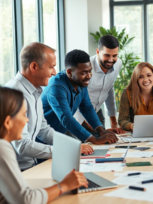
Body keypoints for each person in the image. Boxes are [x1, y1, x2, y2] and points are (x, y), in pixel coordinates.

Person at [5, 43, 93, 171]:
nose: (54, 72)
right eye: (51, 67)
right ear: (34, 66)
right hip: (15, 172)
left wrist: (73, 145)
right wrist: (67, 150)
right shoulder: (14, 94)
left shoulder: (36, 91)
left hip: (30, 167)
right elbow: (22, 145)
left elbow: (44, 130)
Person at [0, 87, 88, 204]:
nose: (27, 120)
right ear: (8, 122)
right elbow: (26, 200)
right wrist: (64, 186)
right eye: (23, 115)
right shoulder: (2, 148)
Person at [41, 49, 118, 144]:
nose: (89, 76)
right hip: (42, 139)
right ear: (69, 72)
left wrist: (100, 129)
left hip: (59, 133)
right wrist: (94, 139)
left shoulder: (80, 82)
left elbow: (87, 108)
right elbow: (66, 118)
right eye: (83, 72)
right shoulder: (56, 86)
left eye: (90, 71)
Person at [73, 35, 125, 134]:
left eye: (114, 55)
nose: (111, 60)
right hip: (78, 114)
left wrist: (114, 122)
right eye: (107, 55)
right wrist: (91, 130)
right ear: (97, 52)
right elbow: (74, 99)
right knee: (85, 145)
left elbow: (109, 90)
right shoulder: (85, 68)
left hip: (97, 112)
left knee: (103, 144)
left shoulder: (118, 63)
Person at [118, 62, 153, 131]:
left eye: (149, 75)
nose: (146, 80)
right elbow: (122, 119)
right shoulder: (127, 93)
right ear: (136, 79)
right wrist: (131, 126)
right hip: (136, 132)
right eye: (140, 77)